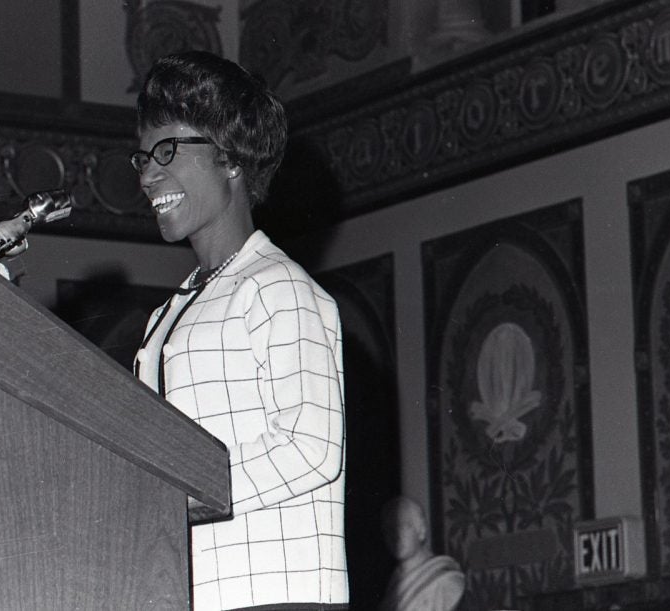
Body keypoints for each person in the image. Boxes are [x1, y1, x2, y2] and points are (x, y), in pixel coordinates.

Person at [130, 50, 348, 611]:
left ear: (230, 159)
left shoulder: (278, 286)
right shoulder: (169, 314)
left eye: (168, 150)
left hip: (276, 597)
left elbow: (312, 447)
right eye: (143, 157)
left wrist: (174, 493)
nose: (149, 173)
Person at [379, 496, 464, 611]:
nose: (396, 536)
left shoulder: (445, 582)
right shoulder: (393, 585)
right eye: (389, 529)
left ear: (421, 530)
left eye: (404, 526)